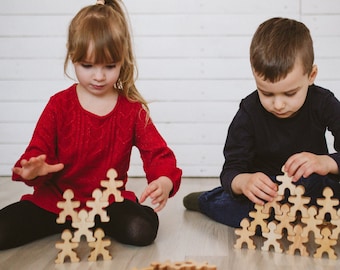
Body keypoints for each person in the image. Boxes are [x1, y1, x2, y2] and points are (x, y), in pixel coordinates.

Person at [0, 0, 181, 250]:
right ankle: (70, 222)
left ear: (123, 60)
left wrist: (164, 181)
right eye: (87, 66)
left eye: (109, 66)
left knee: (141, 230)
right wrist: (32, 170)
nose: (98, 76)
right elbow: (35, 152)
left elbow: (158, 153)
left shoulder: (131, 110)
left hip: (107, 203)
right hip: (56, 201)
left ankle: (90, 223)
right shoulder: (58, 105)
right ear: (72, 55)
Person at [183, 17, 340, 228]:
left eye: (290, 93)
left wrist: (325, 162)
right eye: (266, 93)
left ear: (311, 75)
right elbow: (231, 169)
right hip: (267, 194)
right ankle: (208, 200)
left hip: (312, 186)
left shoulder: (323, 102)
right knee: (246, 213)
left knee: (321, 190)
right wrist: (244, 182)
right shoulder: (249, 111)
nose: (278, 104)